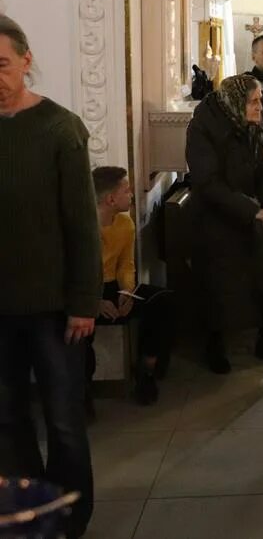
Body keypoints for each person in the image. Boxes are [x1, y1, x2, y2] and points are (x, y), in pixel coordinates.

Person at [0, 14, 99, 539]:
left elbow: (82, 225)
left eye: (2, 65)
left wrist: (84, 300)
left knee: (62, 420)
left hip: (54, 305)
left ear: (25, 62)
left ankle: (71, 516)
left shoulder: (60, 128)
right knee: (7, 417)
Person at [185, 74, 263, 374]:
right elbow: (207, 181)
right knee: (220, 286)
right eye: (254, 102)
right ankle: (214, 346)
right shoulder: (203, 127)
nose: (260, 108)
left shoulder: (253, 124)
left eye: (260, 101)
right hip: (215, 218)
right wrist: (249, 209)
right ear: (235, 102)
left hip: (251, 212)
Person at [87, 167, 174, 407]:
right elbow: (72, 273)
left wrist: (127, 293)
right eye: (126, 190)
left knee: (163, 301)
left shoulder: (124, 224)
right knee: (78, 332)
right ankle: (82, 393)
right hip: (86, 292)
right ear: (110, 199)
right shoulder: (83, 228)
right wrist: (93, 301)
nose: (131, 195)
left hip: (114, 287)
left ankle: (147, 369)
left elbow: (126, 265)